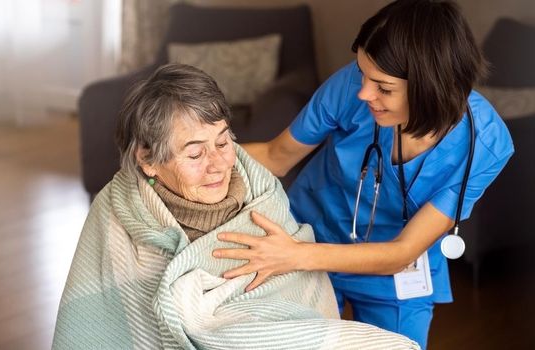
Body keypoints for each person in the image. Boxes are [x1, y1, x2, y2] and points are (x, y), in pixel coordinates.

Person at [212, 0, 514, 348]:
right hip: (309, 234)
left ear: (431, 87)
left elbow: (402, 251)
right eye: (363, 74)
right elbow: (276, 156)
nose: (364, 93)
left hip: (391, 271)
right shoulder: (350, 88)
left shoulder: (484, 144)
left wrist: (293, 255)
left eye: (384, 88)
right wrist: (199, 154)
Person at [52, 63, 419, 349]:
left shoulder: (262, 197)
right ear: (147, 160)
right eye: (194, 152)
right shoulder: (117, 211)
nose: (218, 164)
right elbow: (97, 325)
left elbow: (295, 306)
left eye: (224, 142)